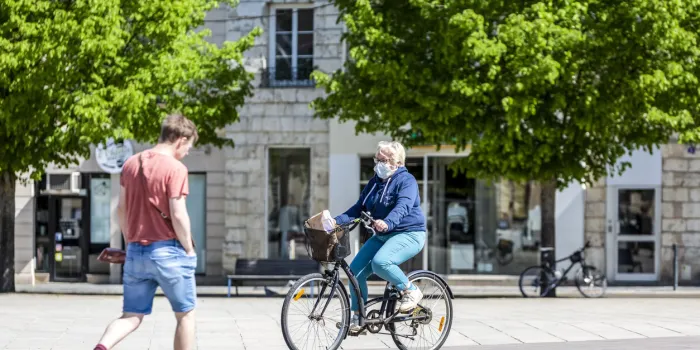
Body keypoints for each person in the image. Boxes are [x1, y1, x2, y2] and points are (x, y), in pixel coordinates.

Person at [94, 114, 199, 350]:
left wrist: (131, 243)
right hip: (169, 252)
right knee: (185, 315)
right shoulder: (176, 168)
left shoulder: (130, 164)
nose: (187, 152)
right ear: (180, 140)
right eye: (189, 146)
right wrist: (189, 250)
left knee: (131, 316)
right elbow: (178, 214)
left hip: (136, 253)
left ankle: (101, 347)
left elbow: (120, 209)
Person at [334, 141, 426, 334]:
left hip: (409, 233)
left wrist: (388, 222)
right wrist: (335, 222)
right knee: (354, 272)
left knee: (381, 262)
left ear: (397, 162)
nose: (379, 163)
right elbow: (359, 208)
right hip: (384, 235)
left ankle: (410, 290)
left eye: (384, 159)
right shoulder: (375, 182)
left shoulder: (406, 181)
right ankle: (359, 317)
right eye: (378, 159)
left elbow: (404, 206)